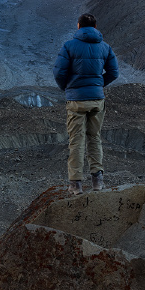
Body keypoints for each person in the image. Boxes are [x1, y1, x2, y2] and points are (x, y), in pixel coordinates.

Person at [53, 13, 119, 195]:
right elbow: (114, 72)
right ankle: (98, 182)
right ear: (95, 27)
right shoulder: (105, 47)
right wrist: (98, 85)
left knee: (76, 141)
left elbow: (59, 71)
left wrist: (68, 87)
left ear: (78, 26)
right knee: (95, 138)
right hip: (97, 100)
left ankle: (76, 184)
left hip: (76, 100)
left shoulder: (69, 46)